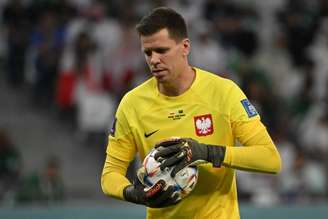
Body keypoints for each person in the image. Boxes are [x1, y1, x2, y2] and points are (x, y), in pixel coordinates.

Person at [101, 7, 281, 219]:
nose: (154, 60)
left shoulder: (224, 92)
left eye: (162, 50)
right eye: (148, 53)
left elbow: (270, 159)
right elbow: (110, 174)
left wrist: (207, 153)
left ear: (185, 47)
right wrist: (133, 193)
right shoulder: (132, 104)